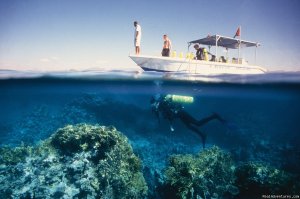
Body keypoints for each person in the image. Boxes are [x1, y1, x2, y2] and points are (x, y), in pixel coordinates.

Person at [150, 94, 225, 148]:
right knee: (189, 126)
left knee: (198, 123)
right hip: (180, 115)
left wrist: (170, 123)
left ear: (155, 103)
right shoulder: (160, 107)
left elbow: (169, 114)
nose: (153, 108)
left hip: (181, 113)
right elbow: (169, 115)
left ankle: (214, 116)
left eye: (153, 105)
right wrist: (171, 125)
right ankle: (202, 135)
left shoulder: (162, 104)